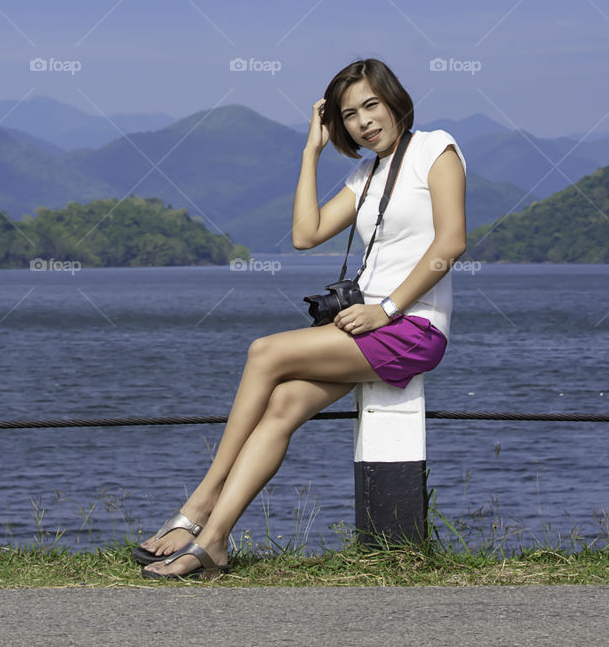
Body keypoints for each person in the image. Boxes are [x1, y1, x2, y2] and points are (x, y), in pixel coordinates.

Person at [135, 57, 467, 579]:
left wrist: (386, 309)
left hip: (411, 326)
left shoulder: (436, 149)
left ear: (395, 99)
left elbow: (451, 244)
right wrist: (310, 151)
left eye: (372, 105)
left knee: (265, 352)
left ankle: (198, 506)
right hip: (365, 326)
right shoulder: (367, 173)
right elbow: (305, 234)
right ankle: (215, 544)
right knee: (284, 403)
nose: (364, 121)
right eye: (350, 114)